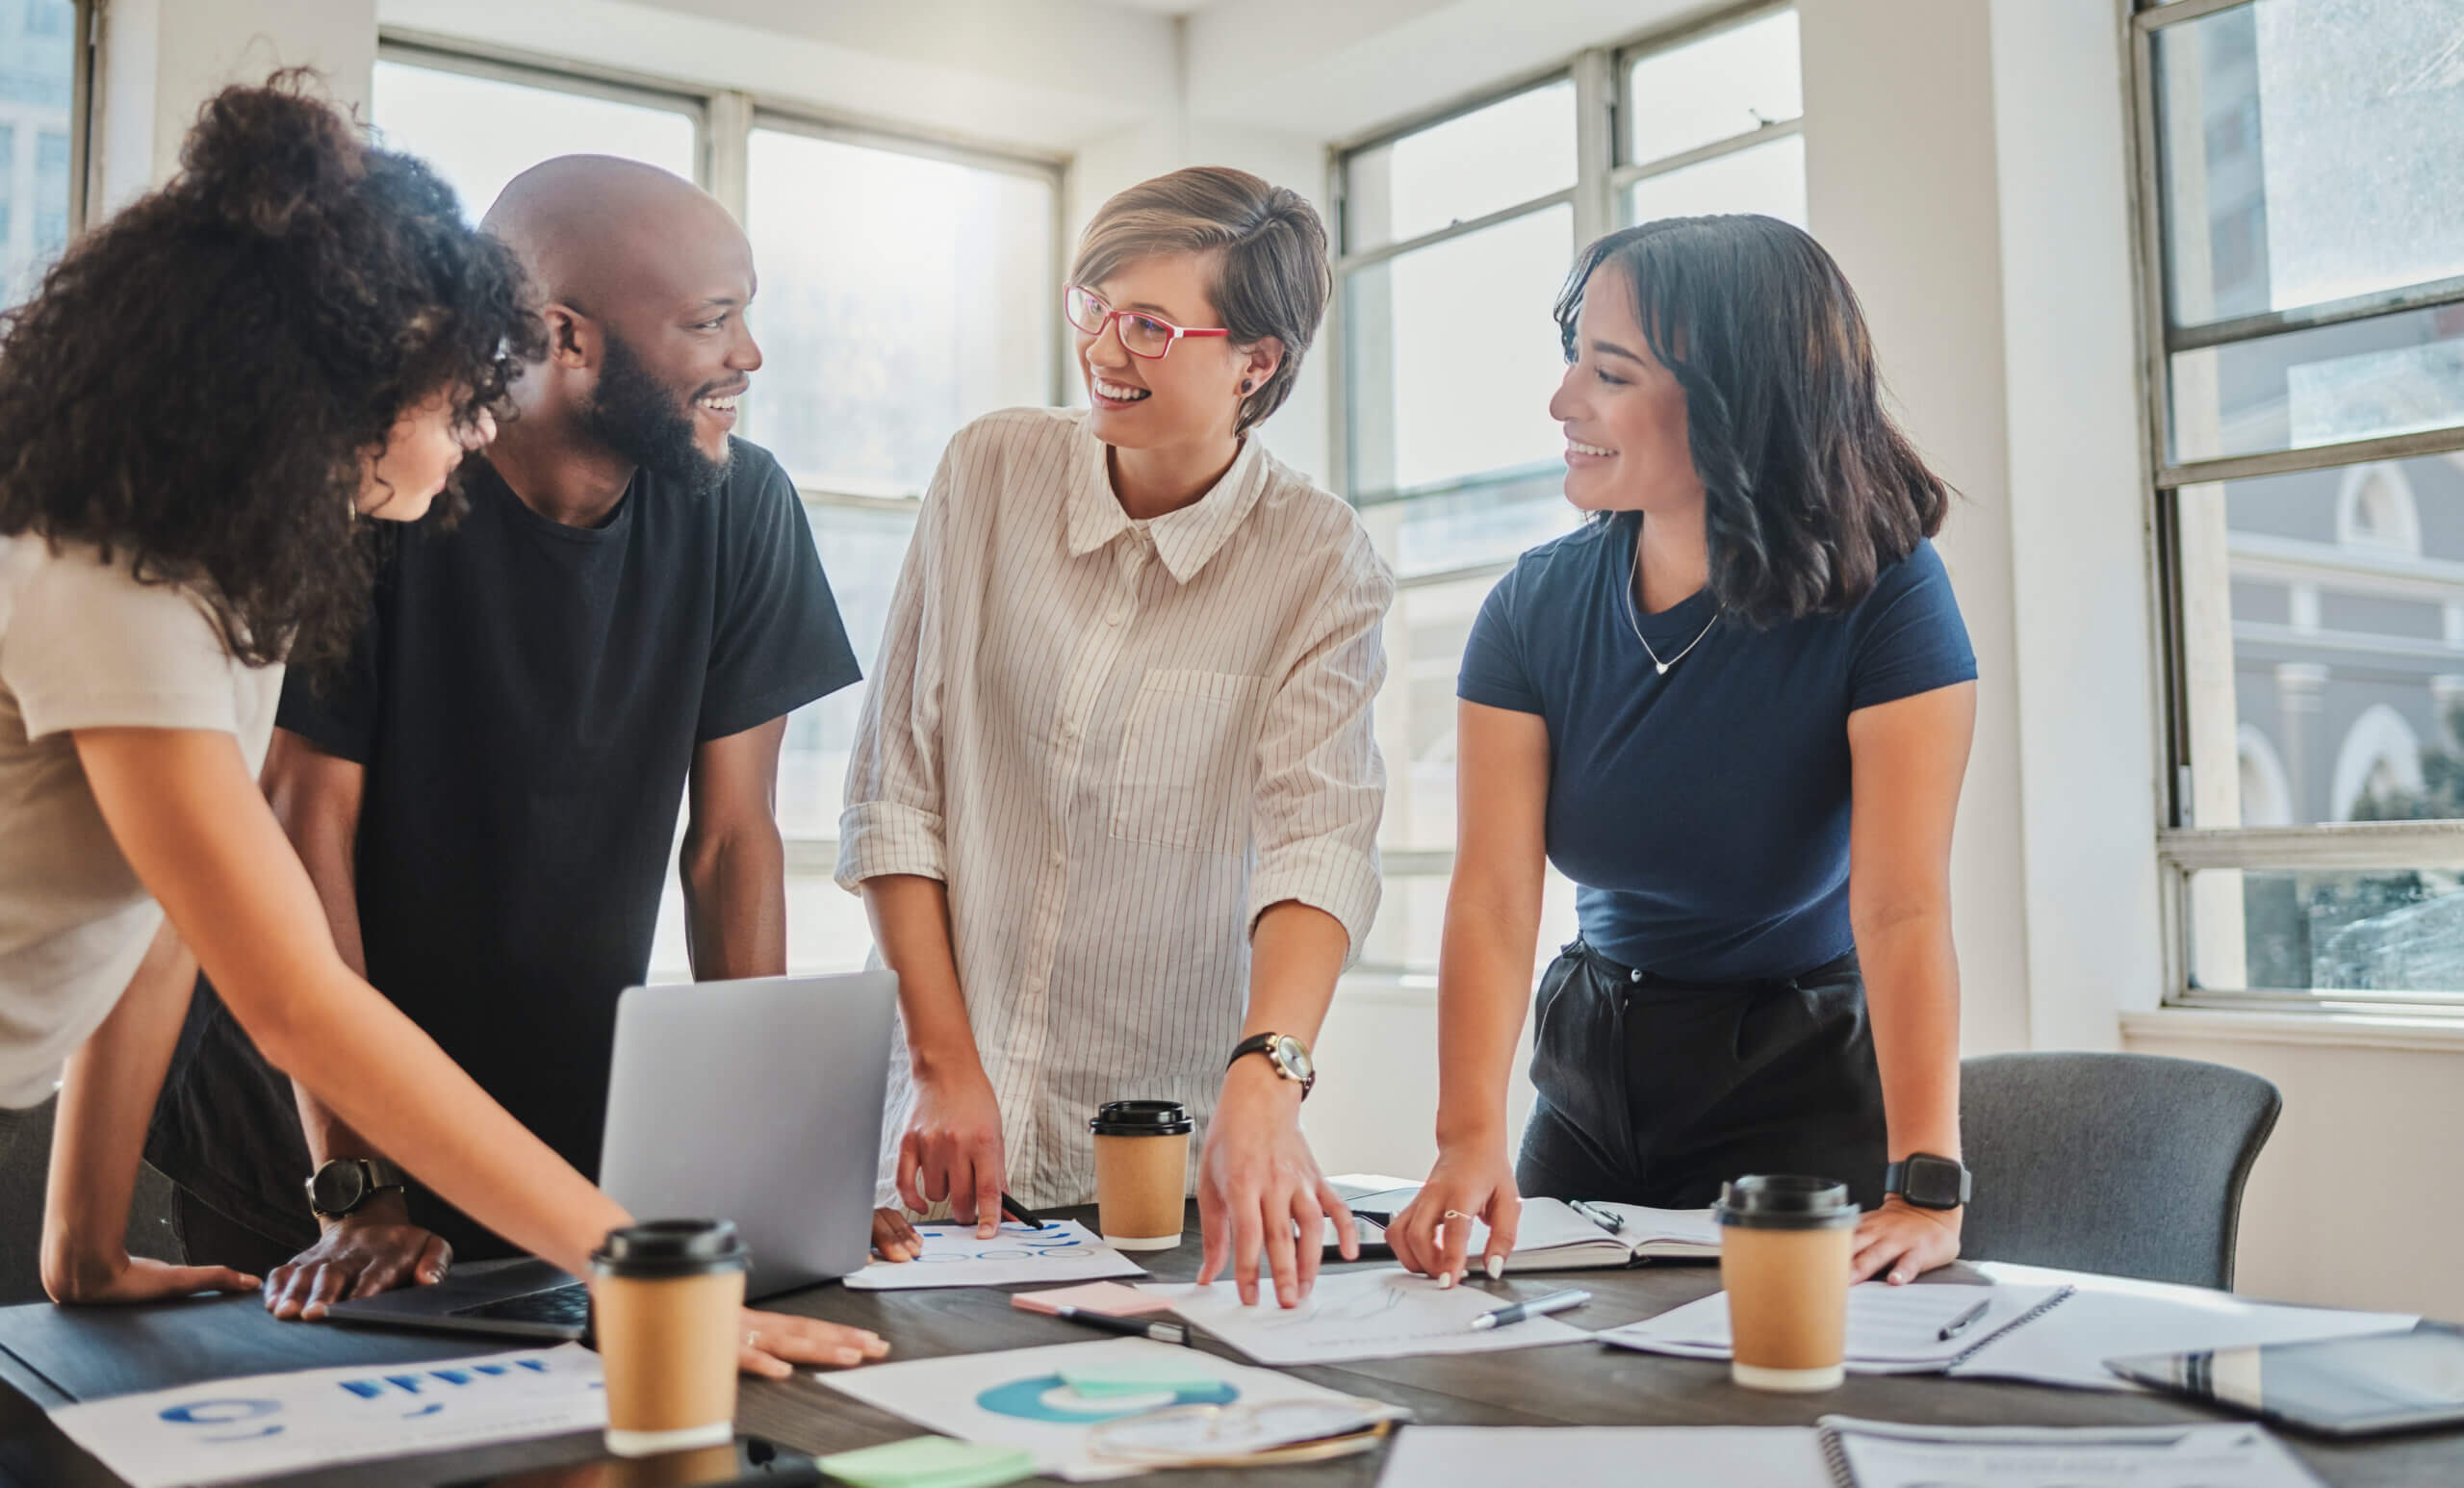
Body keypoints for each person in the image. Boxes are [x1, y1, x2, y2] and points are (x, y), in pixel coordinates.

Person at [9, 80, 881, 1376]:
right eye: (453, 395)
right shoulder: (115, 585)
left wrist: (80, 1246)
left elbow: (163, 915)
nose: (480, 421)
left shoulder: (224, 583)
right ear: (334, 402)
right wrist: (641, 1266)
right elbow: (296, 999)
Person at [1387, 215, 1978, 1290]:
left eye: (1608, 373)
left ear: (1735, 400)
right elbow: (1491, 895)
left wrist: (1925, 1185)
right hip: (1591, 1074)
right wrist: (1466, 1135)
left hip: (1797, 1086)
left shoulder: (1887, 597)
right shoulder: (1531, 607)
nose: (1563, 403)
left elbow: (1900, 908)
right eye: (1573, 362)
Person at [838, 167, 1392, 1306]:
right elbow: (897, 795)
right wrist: (946, 1067)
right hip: (938, 1133)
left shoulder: (1319, 559)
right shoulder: (989, 472)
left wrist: (1267, 1079)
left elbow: (1318, 843)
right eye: (1090, 303)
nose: (1104, 347)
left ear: (1256, 360)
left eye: (1148, 324)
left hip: (1155, 1165)